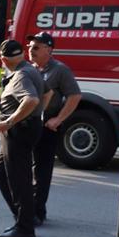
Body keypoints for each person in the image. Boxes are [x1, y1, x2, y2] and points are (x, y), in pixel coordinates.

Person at [0, 39, 47, 237]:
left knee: (19, 179)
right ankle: (23, 217)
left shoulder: (22, 75)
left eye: (1, 59)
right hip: (22, 128)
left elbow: (31, 100)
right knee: (0, 172)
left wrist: (9, 121)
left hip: (19, 131)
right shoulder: (28, 69)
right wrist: (2, 108)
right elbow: (47, 92)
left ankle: (25, 227)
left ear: (5, 59)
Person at [28, 32, 81, 225]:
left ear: (49, 50)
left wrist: (58, 119)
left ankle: (37, 212)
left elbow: (74, 96)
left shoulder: (60, 70)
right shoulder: (29, 68)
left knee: (41, 170)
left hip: (47, 125)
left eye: (35, 47)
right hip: (28, 123)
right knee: (26, 167)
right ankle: (26, 207)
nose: (30, 50)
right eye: (30, 47)